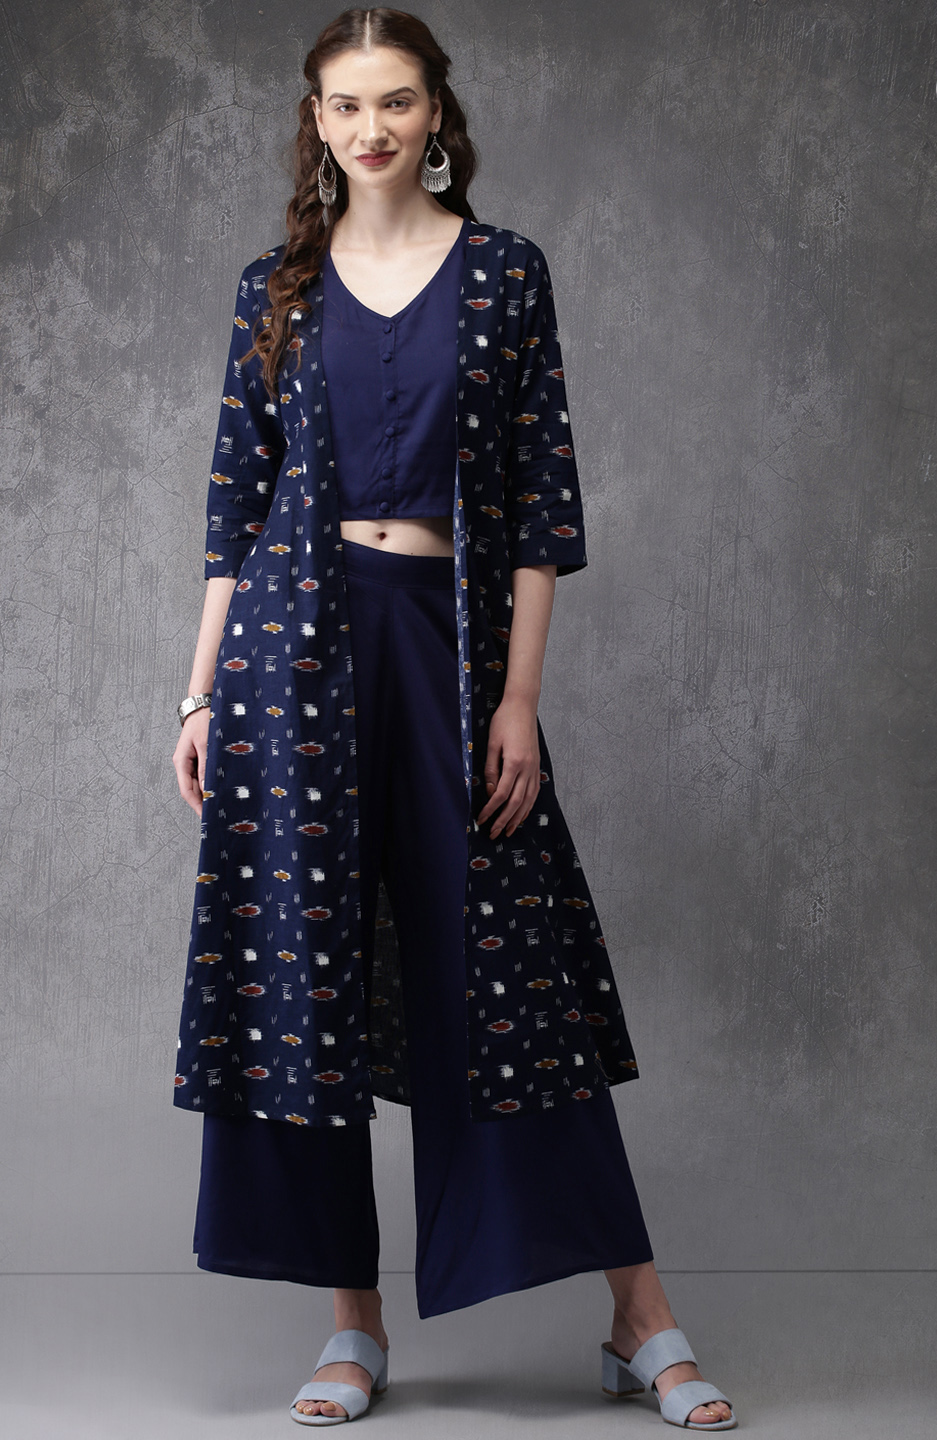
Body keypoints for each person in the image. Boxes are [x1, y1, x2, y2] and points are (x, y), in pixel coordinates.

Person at [171, 7, 736, 1431]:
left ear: (437, 114)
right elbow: (236, 506)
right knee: (304, 975)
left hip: (450, 647)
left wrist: (520, 699)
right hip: (290, 658)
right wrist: (199, 691)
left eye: (398, 101)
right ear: (316, 122)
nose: (372, 128)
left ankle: (641, 1319)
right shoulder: (274, 289)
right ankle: (350, 1327)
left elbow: (541, 501)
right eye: (347, 105)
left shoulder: (504, 274)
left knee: (515, 976)